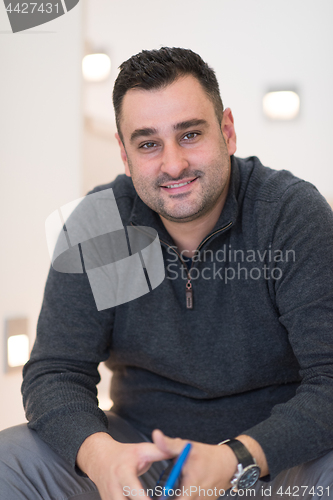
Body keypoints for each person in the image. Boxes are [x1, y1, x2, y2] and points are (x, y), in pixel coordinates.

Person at [1, 47, 333, 500]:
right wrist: (101, 457)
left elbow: (329, 377)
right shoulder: (100, 223)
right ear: (124, 152)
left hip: (272, 463)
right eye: (149, 143)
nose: (173, 165)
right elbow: (56, 370)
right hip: (139, 456)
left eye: (190, 135)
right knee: (9, 459)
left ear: (227, 131)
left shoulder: (290, 213)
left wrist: (235, 459)